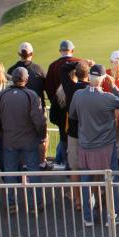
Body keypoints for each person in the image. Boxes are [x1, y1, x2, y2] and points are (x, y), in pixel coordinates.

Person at [68, 67, 119, 227]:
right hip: (105, 147)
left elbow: (73, 114)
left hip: (86, 145)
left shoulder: (79, 95)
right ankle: (112, 215)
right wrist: (113, 85)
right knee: (111, 180)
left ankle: (88, 217)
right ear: (102, 80)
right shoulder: (107, 97)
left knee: (87, 181)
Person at [0, 66, 47, 191]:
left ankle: (11, 203)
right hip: (29, 141)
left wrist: (3, 135)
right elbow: (39, 121)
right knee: (33, 172)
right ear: (26, 80)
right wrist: (41, 135)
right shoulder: (31, 95)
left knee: (10, 174)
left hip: (9, 141)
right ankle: (35, 203)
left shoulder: (2, 96)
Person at [45, 39, 83, 169]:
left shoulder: (53, 66)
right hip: (78, 117)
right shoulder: (79, 63)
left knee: (64, 140)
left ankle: (64, 165)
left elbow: (49, 87)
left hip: (60, 110)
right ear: (72, 50)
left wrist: (56, 102)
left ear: (60, 51)